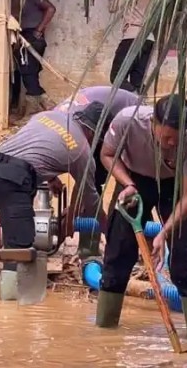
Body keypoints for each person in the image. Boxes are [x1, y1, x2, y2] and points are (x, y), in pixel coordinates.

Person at [96, 94, 187, 341]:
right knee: (117, 254)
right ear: (152, 123)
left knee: (184, 259)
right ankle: (105, 335)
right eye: (166, 137)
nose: (170, 144)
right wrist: (127, 184)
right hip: (134, 180)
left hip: (175, 185)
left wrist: (164, 233)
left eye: (175, 140)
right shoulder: (128, 121)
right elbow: (107, 154)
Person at [0, 103, 107, 300]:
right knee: (21, 246)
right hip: (13, 179)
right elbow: (91, 200)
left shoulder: (50, 116)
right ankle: (9, 304)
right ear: (93, 133)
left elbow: (33, 147)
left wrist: (51, 178)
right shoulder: (82, 152)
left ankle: (8, 270)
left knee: (17, 227)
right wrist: (107, 229)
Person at [53, 85, 142, 256]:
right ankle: (90, 248)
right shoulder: (59, 125)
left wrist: (74, 214)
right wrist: (51, 179)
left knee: (126, 189)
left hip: (133, 122)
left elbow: (86, 181)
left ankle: (120, 244)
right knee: (89, 186)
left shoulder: (81, 128)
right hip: (101, 115)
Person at [11, 0, 57, 115]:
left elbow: (51, 9)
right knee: (30, 74)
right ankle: (47, 104)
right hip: (28, 37)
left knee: (28, 74)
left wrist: (38, 30)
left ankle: (33, 112)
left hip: (32, 37)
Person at [108, 0, 156, 92]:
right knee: (137, 81)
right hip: (149, 39)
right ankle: (139, 102)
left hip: (132, 36)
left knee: (117, 78)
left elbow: (112, 7)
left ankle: (133, 96)